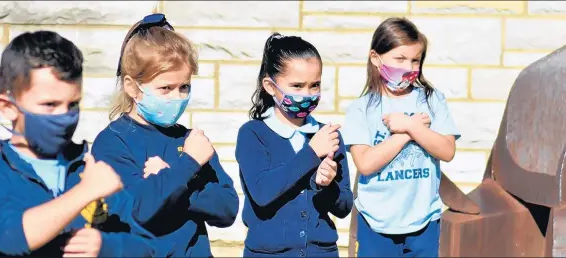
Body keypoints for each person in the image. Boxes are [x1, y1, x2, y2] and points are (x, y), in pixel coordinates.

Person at [0, 30, 155, 257]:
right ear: (7, 107)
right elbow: (10, 238)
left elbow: (146, 247)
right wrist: (85, 193)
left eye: (72, 105)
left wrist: (106, 246)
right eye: (50, 104)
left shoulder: (86, 171)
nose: (64, 116)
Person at [90, 13, 239, 257]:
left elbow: (227, 210)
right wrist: (186, 167)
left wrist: (171, 178)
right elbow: (139, 210)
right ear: (132, 87)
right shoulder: (113, 142)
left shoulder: (191, 141)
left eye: (184, 87)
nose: (178, 97)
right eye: (166, 88)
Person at [341, 17, 460, 257]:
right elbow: (365, 163)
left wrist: (412, 127)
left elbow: (447, 151)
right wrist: (406, 133)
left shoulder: (431, 99)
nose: (408, 67)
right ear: (376, 58)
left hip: (425, 223)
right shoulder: (361, 109)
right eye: (400, 59)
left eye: (415, 60)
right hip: (376, 225)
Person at [235, 33, 354, 257]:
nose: (307, 94)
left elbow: (344, 206)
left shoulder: (329, 136)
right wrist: (311, 153)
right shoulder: (253, 134)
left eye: (314, 85)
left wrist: (328, 185)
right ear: (270, 86)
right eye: (297, 86)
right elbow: (262, 193)